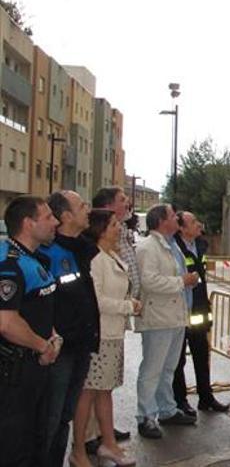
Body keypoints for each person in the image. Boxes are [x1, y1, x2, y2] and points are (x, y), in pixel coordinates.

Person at [69, 210, 140, 466]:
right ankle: (78, 450)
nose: (118, 228)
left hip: (113, 333)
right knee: (88, 394)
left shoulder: (112, 255)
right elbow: (96, 300)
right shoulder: (96, 259)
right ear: (100, 229)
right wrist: (128, 306)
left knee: (104, 392)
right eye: (113, 225)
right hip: (100, 335)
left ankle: (108, 443)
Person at [39, 191, 101, 467]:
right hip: (59, 350)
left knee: (64, 416)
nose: (87, 209)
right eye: (81, 206)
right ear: (65, 216)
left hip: (80, 346)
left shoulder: (80, 249)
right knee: (49, 419)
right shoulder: (47, 253)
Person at [0, 196, 61, 466]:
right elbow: (6, 322)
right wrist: (43, 346)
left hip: (36, 367)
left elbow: (38, 308)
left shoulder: (34, 259)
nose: (55, 222)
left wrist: (54, 337)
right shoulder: (9, 264)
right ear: (28, 223)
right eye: (48, 217)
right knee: (15, 448)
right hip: (14, 372)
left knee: (37, 441)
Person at [135, 204, 199, 438]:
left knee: (168, 368)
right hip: (158, 318)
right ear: (162, 221)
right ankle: (145, 416)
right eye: (173, 215)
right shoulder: (147, 247)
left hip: (175, 317)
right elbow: (148, 281)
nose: (177, 218)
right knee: (152, 369)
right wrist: (182, 282)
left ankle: (166, 409)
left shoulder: (172, 247)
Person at [172, 212, 228, 414]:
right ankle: (180, 401)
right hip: (181, 310)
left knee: (201, 355)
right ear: (181, 228)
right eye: (193, 222)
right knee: (178, 360)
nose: (199, 224)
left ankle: (206, 397)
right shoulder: (173, 247)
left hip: (200, 308)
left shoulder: (201, 245)